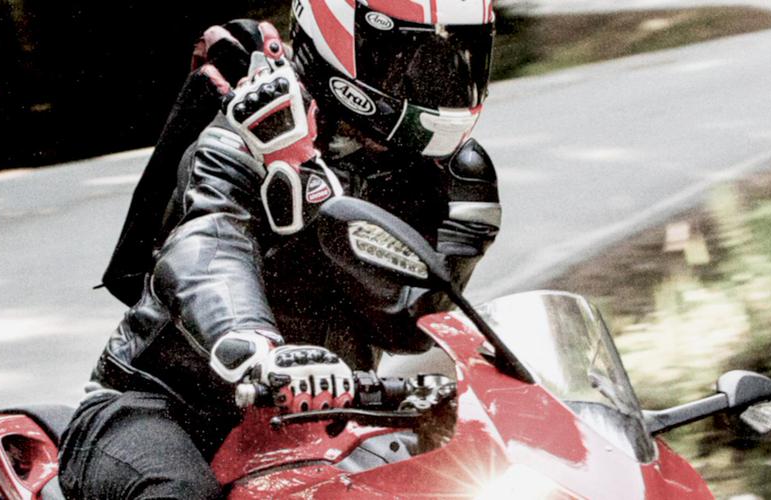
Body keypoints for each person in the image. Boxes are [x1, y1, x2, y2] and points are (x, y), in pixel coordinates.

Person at [62, 1, 501, 498]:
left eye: (455, 62)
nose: (438, 84)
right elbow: (208, 243)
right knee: (179, 490)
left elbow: (410, 327)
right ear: (346, 42)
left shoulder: (447, 177)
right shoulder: (254, 127)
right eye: (415, 62)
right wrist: (250, 342)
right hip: (164, 406)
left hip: (318, 417)